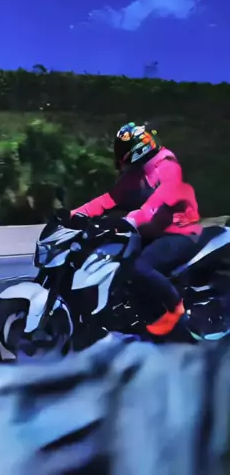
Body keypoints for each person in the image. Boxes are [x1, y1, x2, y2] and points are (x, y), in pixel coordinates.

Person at [70, 122, 202, 343]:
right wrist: (76, 214)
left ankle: (175, 310)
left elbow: (158, 203)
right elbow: (110, 199)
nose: (118, 157)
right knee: (120, 267)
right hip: (152, 233)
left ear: (135, 149)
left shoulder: (167, 166)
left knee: (140, 266)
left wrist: (131, 220)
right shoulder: (138, 173)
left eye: (121, 150)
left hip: (180, 232)